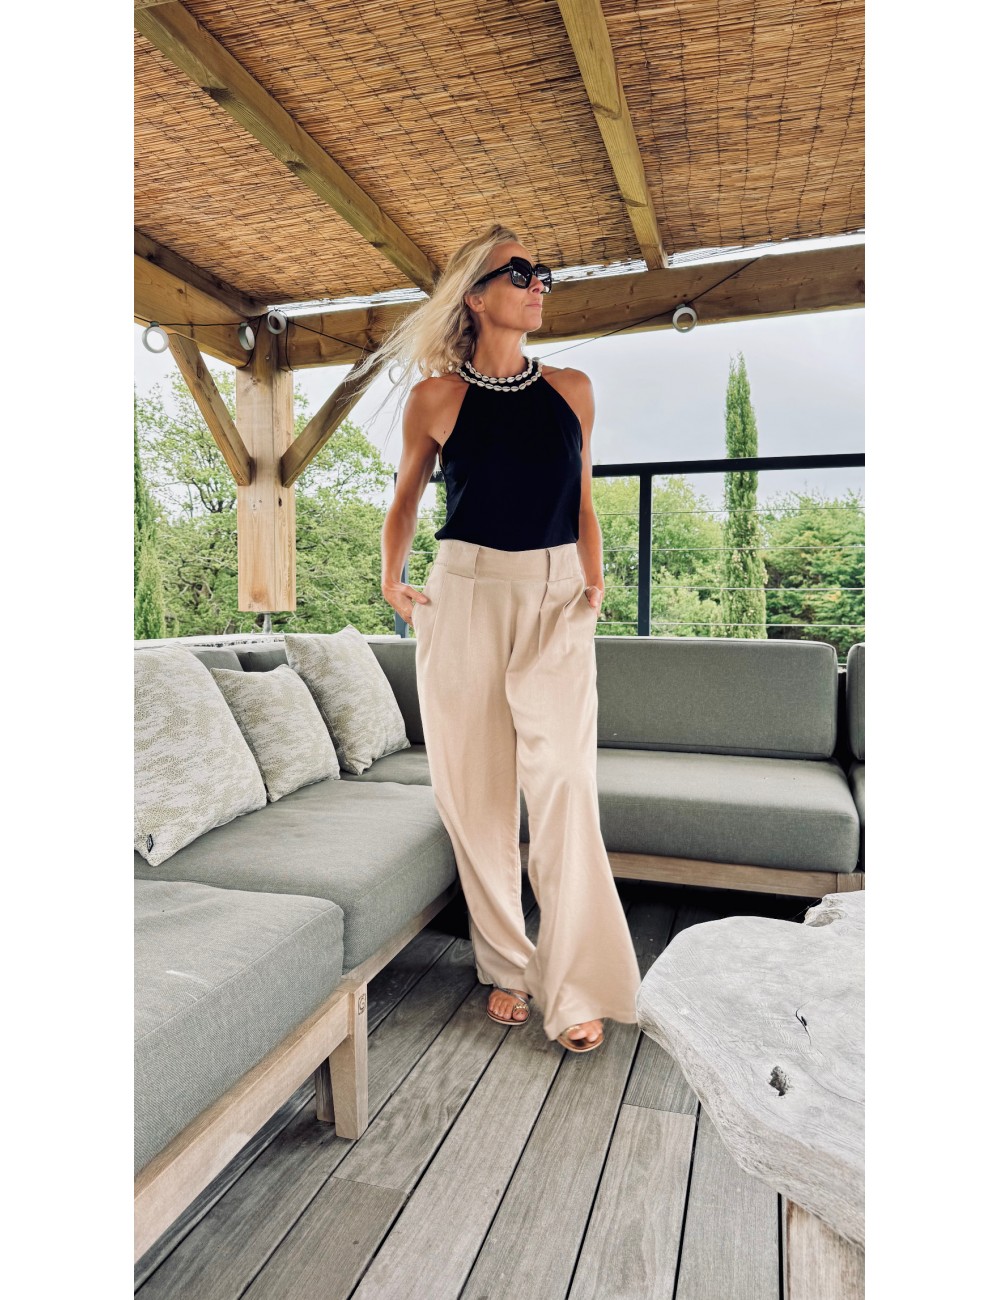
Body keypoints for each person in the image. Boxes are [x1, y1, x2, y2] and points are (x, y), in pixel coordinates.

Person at [376, 224, 641, 1052]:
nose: (538, 285)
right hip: (463, 595)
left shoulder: (573, 389)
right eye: (519, 273)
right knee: (476, 794)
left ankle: (576, 983)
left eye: (543, 273)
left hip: (557, 598)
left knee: (563, 782)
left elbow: (584, 500)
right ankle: (505, 965)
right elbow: (405, 500)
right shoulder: (435, 398)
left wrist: (594, 585)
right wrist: (392, 581)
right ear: (476, 296)